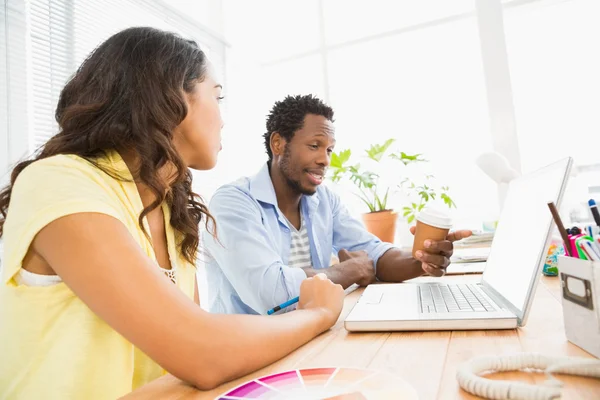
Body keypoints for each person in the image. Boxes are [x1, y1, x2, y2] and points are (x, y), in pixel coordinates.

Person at [0, 28, 344, 399]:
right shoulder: (60, 181)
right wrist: (317, 314)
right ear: (171, 98)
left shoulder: (172, 212)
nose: (223, 119)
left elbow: (193, 362)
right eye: (217, 96)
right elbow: (202, 352)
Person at [203, 94, 472, 315]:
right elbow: (270, 293)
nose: (325, 160)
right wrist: (346, 271)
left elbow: (374, 255)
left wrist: (422, 258)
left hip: (309, 336)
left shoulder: (323, 201)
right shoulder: (233, 203)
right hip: (251, 353)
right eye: (314, 145)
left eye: (329, 149)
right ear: (278, 144)